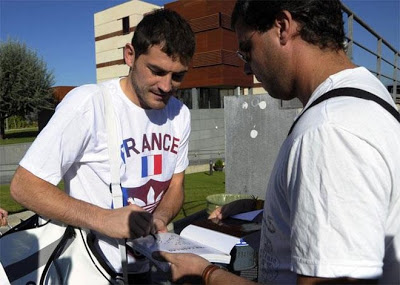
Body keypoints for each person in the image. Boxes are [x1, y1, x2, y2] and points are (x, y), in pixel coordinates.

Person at [157, 0, 400, 284]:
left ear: (282, 27)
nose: (247, 68)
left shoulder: (329, 132)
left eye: (247, 49)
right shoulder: (366, 97)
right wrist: (261, 206)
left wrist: (206, 273)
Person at [10, 8, 195, 279]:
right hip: (92, 270)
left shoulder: (180, 114)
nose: (166, 86)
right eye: (156, 71)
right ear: (129, 55)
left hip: (152, 267)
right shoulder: (89, 103)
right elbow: (24, 186)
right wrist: (103, 219)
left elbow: (176, 185)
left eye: (177, 76)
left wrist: (160, 217)